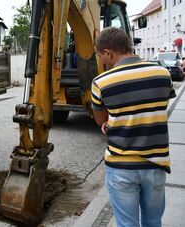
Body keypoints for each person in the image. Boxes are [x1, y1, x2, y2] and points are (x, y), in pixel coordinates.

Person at [91, 27, 175, 227]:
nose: (103, 61)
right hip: (156, 165)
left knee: (127, 224)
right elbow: (157, 108)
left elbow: (100, 119)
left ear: (109, 52)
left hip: (121, 167)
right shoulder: (163, 74)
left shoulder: (101, 82)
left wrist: (112, 121)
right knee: (153, 222)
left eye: (101, 56)